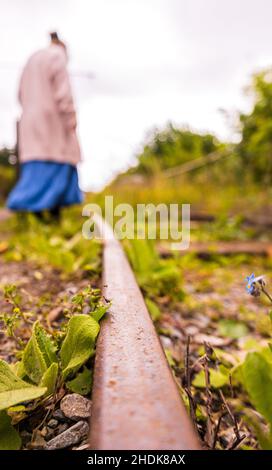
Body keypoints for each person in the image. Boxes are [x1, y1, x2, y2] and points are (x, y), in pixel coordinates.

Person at [7, 32, 82, 220]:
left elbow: (19, 94)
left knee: (36, 167)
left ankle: (37, 215)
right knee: (57, 164)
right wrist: (71, 120)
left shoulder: (32, 58)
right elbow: (64, 93)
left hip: (30, 121)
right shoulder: (58, 57)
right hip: (53, 122)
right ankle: (53, 214)